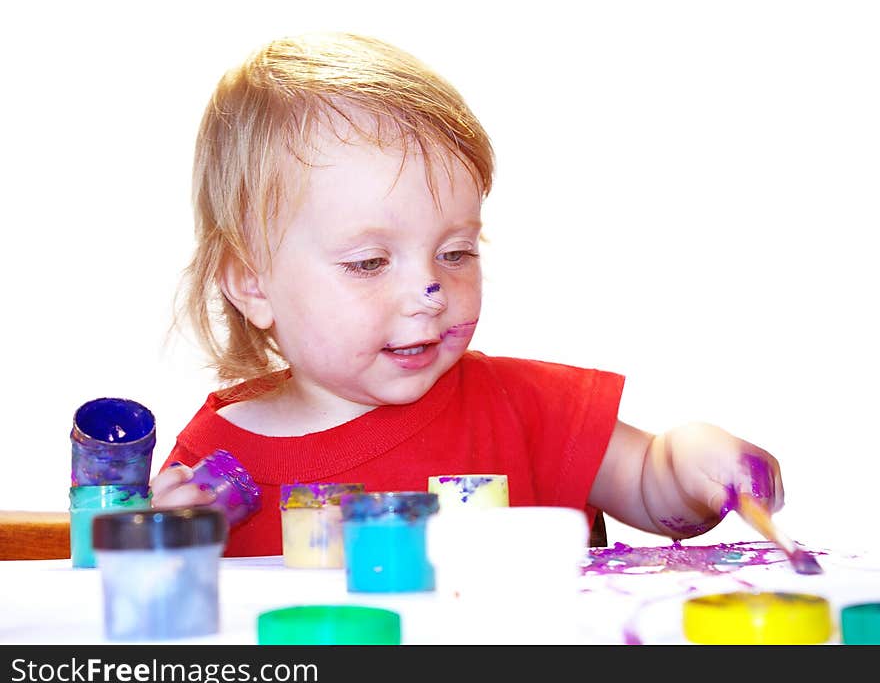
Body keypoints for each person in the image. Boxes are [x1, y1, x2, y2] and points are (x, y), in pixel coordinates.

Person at [152, 32, 783, 557]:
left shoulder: (525, 408)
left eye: (455, 253)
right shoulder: (215, 459)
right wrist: (166, 540)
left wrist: (692, 462)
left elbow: (651, 484)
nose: (429, 293)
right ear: (251, 283)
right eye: (370, 262)